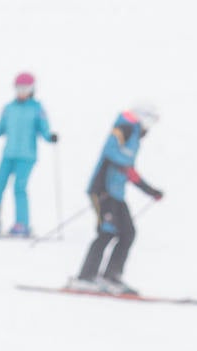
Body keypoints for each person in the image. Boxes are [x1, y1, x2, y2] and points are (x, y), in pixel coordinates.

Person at [69, 103, 164, 296]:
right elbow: (110, 151)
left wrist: (150, 191)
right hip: (103, 190)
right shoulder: (125, 127)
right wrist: (125, 167)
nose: (151, 127)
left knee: (128, 233)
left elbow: (129, 170)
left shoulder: (136, 135)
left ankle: (111, 276)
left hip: (116, 193)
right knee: (107, 232)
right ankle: (85, 277)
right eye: (151, 121)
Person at [0, 72, 57, 237]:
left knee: (19, 188)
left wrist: (50, 137)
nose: (22, 91)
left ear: (32, 89)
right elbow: (1, 128)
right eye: (19, 88)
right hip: (8, 154)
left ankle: (22, 224)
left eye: (25, 88)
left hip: (27, 156)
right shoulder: (9, 108)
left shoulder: (37, 109)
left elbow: (44, 130)